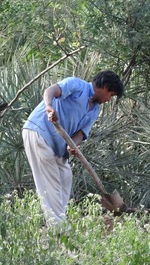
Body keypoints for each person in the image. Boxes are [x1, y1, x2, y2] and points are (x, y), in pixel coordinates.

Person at [22, 70, 124, 227]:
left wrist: (73, 145)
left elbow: (81, 134)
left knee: (65, 176)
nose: (109, 100)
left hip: (58, 144)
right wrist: (49, 107)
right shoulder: (77, 85)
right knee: (51, 183)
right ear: (104, 87)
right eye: (111, 95)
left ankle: (57, 223)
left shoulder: (95, 110)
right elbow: (50, 91)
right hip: (39, 132)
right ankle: (59, 230)